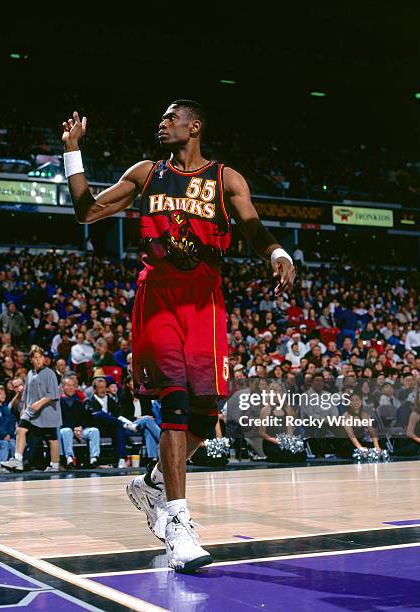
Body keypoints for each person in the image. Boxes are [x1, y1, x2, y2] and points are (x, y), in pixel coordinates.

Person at [62, 100, 295, 571]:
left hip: (207, 305)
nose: (161, 123)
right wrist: (72, 153)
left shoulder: (226, 178)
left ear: (195, 126)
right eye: (161, 119)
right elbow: (87, 211)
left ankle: (151, 482)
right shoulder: (146, 173)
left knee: (207, 414)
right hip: (159, 298)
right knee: (174, 400)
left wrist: (277, 252)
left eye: (171, 118)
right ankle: (177, 523)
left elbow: (251, 226)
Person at [1, 345, 62, 472]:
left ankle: (54, 465)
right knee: (21, 430)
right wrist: (23, 407)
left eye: (41, 357)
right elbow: (26, 393)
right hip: (31, 412)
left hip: (47, 413)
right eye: (36, 357)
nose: (39, 360)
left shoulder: (50, 373)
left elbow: (53, 394)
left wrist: (39, 404)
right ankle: (17, 460)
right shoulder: (29, 374)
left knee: (52, 440)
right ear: (31, 360)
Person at [85, 377, 129, 468]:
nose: (103, 390)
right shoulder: (90, 402)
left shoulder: (111, 401)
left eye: (104, 387)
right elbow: (93, 418)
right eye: (100, 388)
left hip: (111, 427)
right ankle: (124, 424)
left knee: (119, 429)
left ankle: (121, 459)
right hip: (98, 428)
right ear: (94, 389)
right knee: (100, 414)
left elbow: (117, 414)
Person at [59, 376, 101, 467]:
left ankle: (94, 458)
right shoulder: (58, 402)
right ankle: (69, 458)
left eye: (72, 386)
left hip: (78, 430)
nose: (70, 388)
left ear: (75, 388)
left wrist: (81, 427)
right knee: (67, 431)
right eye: (67, 385)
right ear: (63, 387)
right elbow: (59, 421)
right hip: (64, 430)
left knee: (94, 431)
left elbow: (84, 419)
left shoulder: (80, 403)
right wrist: (73, 429)